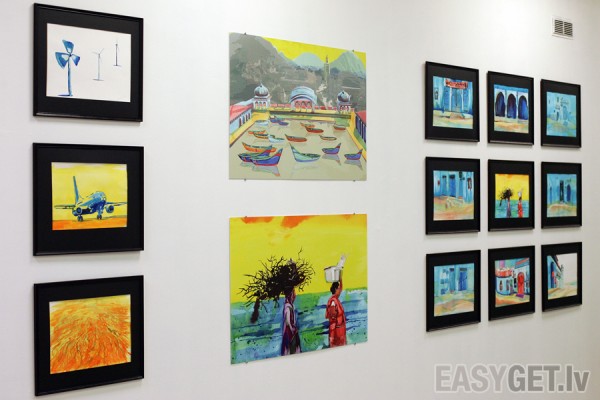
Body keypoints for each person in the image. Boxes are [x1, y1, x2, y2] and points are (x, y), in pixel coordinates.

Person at [325, 278, 346, 347]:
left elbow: (341, 288)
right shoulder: (333, 301)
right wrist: (332, 337)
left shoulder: (336, 298)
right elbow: (332, 318)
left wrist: (340, 279)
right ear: (335, 289)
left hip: (341, 330)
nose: (340, 290)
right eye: (338, 289)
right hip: (337, 331)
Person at [281, 288, 301, 355]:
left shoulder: (290, 305)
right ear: (290, 295)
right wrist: (292, 329)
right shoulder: (288, 306)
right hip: (290, 334)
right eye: (293, 293)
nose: (295, 295)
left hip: (291, 333)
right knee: (291, 351)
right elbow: (287, 321)